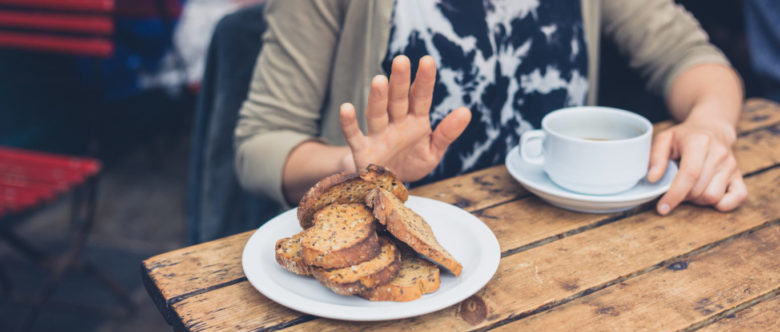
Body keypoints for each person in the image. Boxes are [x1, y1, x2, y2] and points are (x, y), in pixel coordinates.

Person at [234, 0, 747, 216]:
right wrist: (353, 169)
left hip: (566, 248)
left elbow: (691, 58)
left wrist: (711, 124)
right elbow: (261, 143)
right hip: (395, 261)